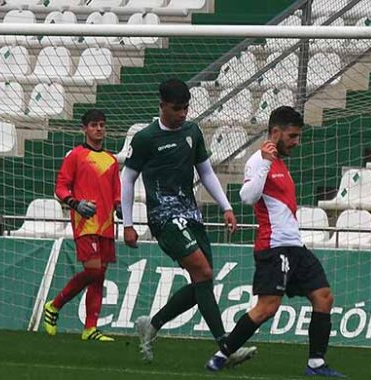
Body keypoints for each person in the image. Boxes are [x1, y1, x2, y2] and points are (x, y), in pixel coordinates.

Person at [121, 78, 255, 367]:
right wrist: (128, 223)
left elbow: (205, 172)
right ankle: (226, 347)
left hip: (191, 214)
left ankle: (152, 324)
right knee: (203, 271)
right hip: (163, 218)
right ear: (162, 106)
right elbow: (128, 179)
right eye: (176, 109)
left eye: (185, 108)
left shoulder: (192, 132)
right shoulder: (145, 138)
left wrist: (226, 207)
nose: (182, 114)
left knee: (202, 280)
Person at [205, 106, 346, 377]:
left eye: (297, 136)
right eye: (292, 136)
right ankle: (222, 354)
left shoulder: (280, 163)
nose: (296, 141)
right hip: (274, 247)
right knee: (267, 308)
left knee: (324, 297)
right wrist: (266, 163)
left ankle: (316, 363)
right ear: (275, 133)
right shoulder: (259, 161)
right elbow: (247, 197)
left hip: (295, 246)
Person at [42, 109, 121, 342]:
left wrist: (119, 206)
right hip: (85, 222)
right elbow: (61, 187)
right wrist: (75, 204)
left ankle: (90, 328)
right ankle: (54, 306)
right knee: (93, 270)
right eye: (94, 125)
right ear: (84, 128)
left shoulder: (111, 160)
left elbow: (116, 191)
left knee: (99, 276)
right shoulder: (75, 156)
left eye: (102, 125)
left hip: (107, 224)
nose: (99, 129)